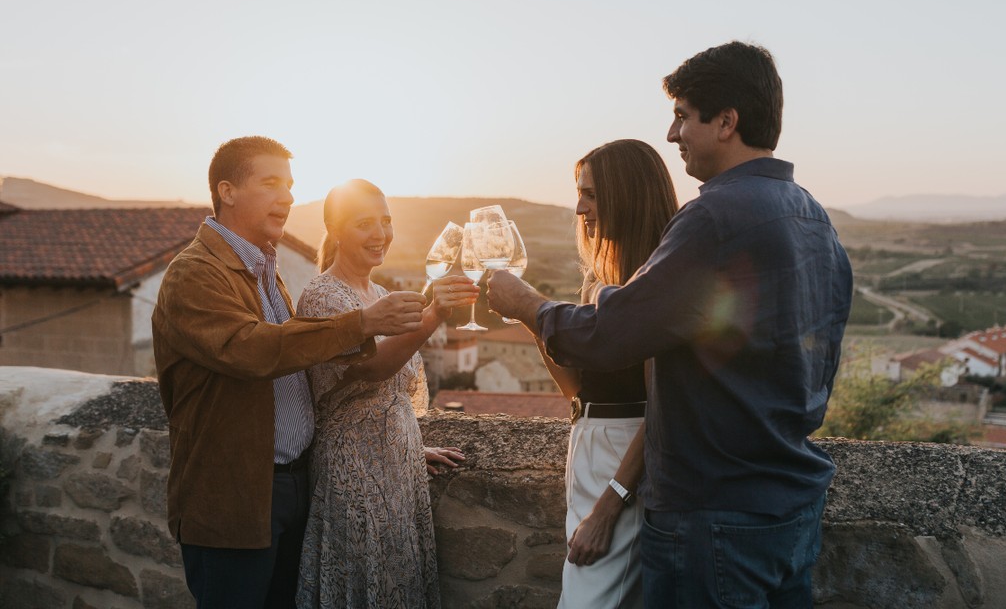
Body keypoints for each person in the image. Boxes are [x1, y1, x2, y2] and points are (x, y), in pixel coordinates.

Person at [488, 42, 853, 608]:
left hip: (713, 511)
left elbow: (612, 336)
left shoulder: (715, 217)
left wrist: (527, 304)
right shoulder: (812, 216)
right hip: (790, 504)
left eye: (683, 116)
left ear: (726, 122)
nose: (671, 133)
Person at [153, 136, 427, 609]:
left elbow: (316, 380)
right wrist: (362, 323)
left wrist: (397, 442)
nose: (287, 197)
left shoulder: (263, 267)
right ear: (227, 191)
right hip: (236, 495)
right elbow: (251, 351)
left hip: (294, 486)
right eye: (271, 183)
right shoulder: (194, 273)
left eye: (290, 186)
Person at [294, 179, 478, 609]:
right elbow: (373, 369)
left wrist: (409, 445)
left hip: (397, 470)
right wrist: (435, 313)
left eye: (386, 221)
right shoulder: (322, 296)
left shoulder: (380, 294)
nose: (380, 234)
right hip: (352, 473)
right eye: (364, 224)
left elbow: (388, 396)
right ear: (335, 230)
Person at [535, 139, 677, 609]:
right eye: (580, 194)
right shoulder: (599, 279)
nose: (580, 208)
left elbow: (660, 411)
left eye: (591, 195)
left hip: (624, 461)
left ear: (627, 195)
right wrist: (532, 321)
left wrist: (608, 507)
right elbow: (576, 390)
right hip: (587, 448)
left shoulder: (653, 283)